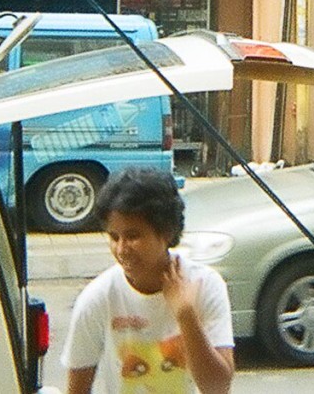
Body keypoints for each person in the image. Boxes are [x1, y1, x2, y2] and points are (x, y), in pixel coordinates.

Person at [62, 167, 234, 394]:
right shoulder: (98, 297)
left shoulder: (206, 285)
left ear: (167, 233)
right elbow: (77, 389)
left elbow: (217, 387)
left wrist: (186, 315)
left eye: (133, 236)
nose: (122, 249)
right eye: (114, 237)